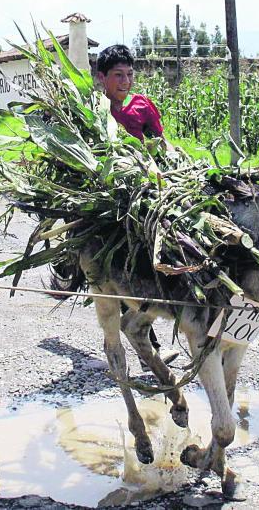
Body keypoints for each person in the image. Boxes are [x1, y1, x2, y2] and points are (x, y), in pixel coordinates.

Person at [96, 44, 178, 371]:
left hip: (145, 185)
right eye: (118, 75)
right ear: (101, 77)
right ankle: (149, 345)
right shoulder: (95, 110)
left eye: (129, 74)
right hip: (111, 193)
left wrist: (172, 162)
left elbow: (160, 142)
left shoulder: (142, 105)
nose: (125, 81)